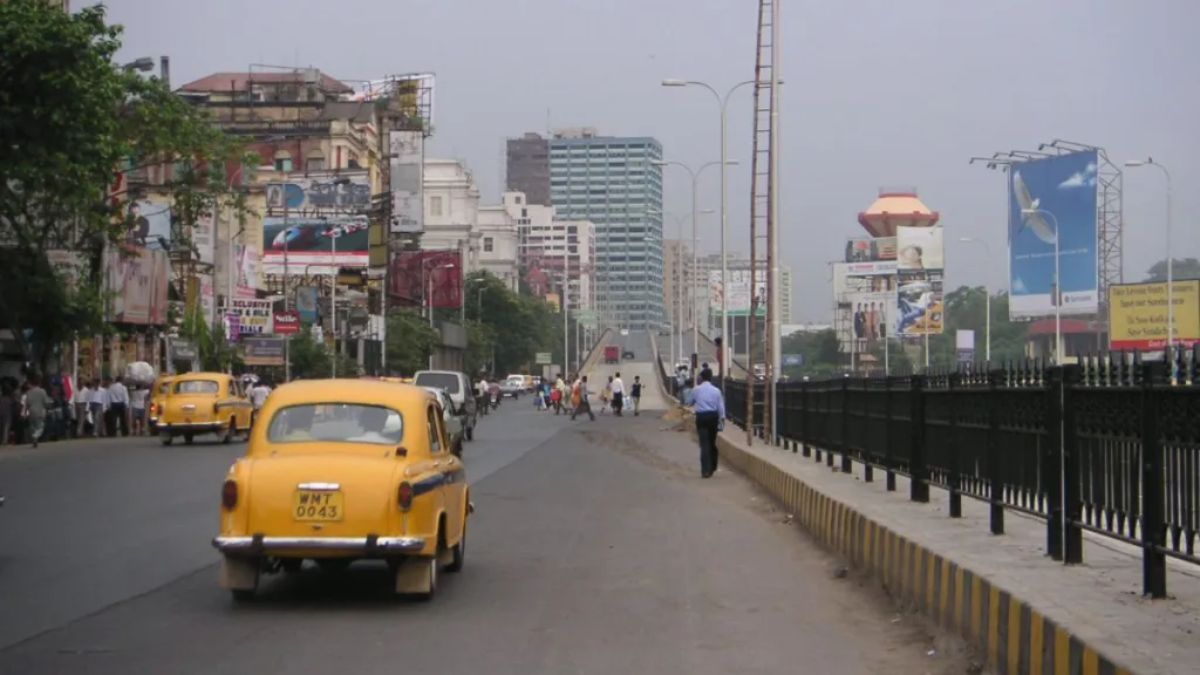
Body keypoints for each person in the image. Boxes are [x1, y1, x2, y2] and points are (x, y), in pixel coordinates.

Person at [691, 369, 726, 478]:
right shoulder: (716, 391)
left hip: (701, 418)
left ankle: (705, 470)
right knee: (712, 442)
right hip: (713, 417)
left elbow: (690, 401)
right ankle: (712, 467)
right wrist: (722, 419)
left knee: (704, 444)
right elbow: (721, 407)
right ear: (711, 377)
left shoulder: (696, 390)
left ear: (702, 377)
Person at [21, 377, 51, 448]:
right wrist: (48, 408)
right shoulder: (42, 391)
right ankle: (35, 436)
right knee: (40, 426)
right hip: (40, 411)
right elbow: (46, 402)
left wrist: (24, 413)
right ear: (39, 383)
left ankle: (35, 438)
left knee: (33, 426)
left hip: (31, 412)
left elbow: (26, 404)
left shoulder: (28, 392)